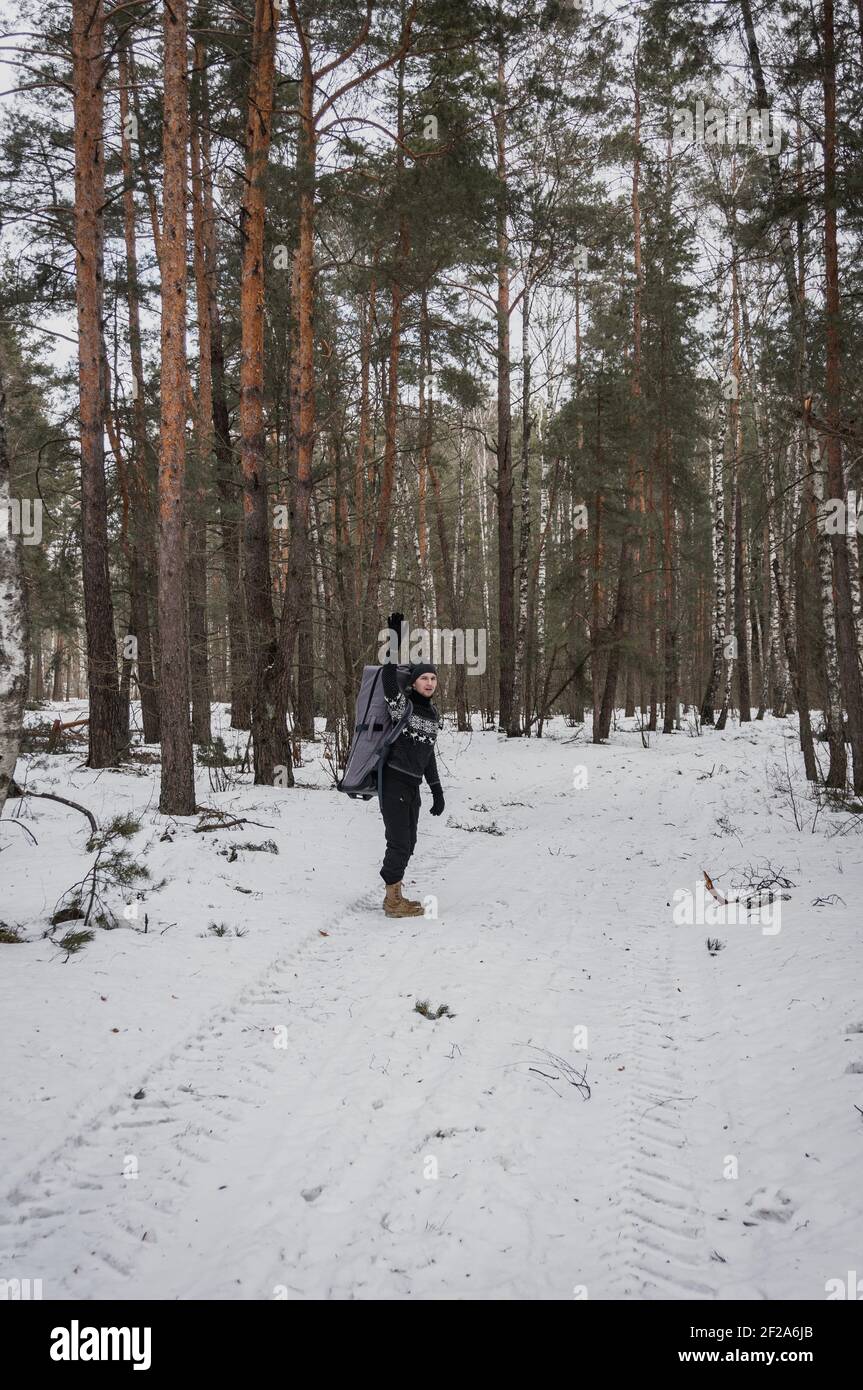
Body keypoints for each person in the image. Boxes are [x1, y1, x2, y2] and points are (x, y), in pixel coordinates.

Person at [378, 611, 445, 918]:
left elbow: (427, 752)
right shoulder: (402, 707)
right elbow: (388, 679)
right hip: (393, 781)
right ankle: (393, 902)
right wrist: (394, 639)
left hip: (412, 785)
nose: (429, 682)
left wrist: (437, 790)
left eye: (433, 678)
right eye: (424, 678)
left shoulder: (432, 716)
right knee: (399, 842)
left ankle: (396, 895)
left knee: (410, 841)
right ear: (415, 683)